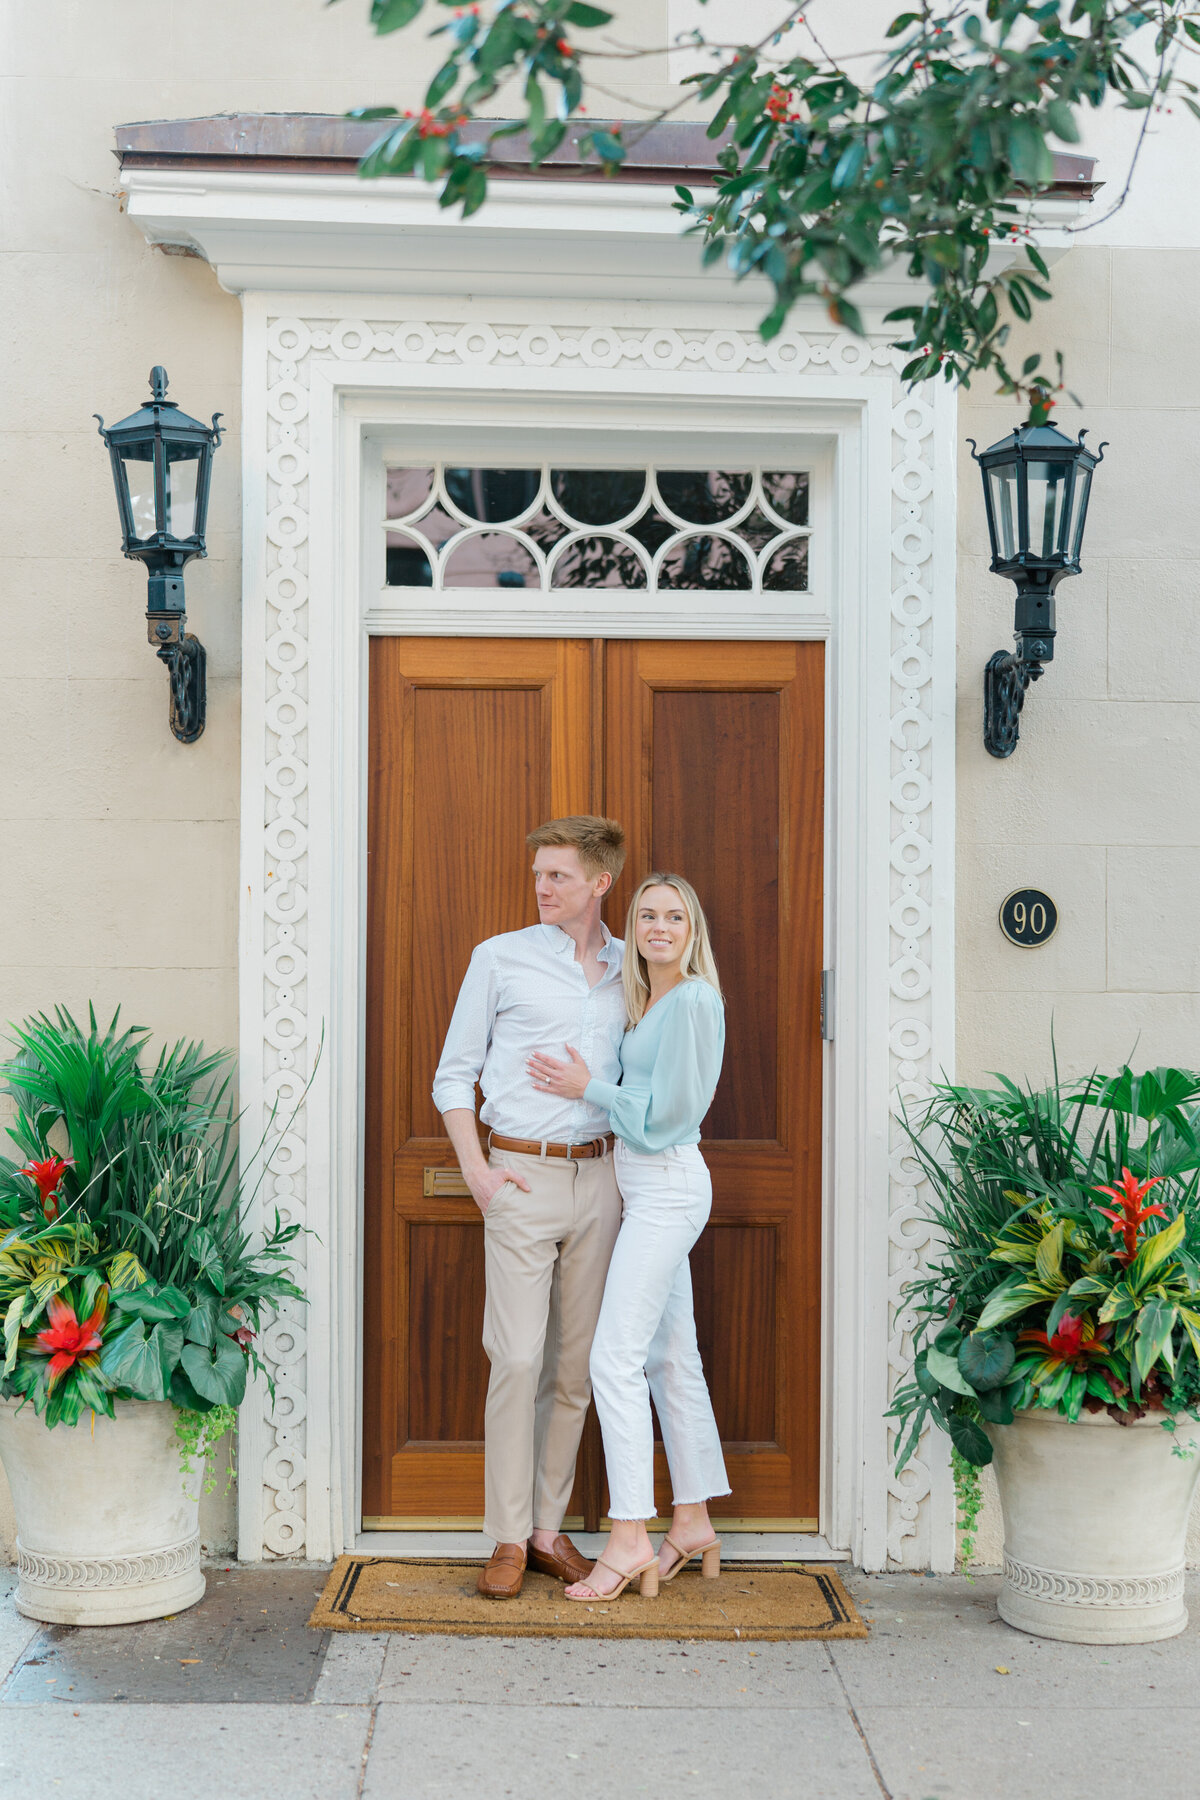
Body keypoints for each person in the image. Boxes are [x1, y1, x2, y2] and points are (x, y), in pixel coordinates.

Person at [433, 815, 628, 1599]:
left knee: (575, 1368)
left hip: (603, 1180)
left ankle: (549, 1532)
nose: (541, 887)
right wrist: (478, 1172)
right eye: (539, 873)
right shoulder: (500, 958)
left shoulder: (629, 967)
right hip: (518, 1176)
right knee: (515, 1360)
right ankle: (507, 1538)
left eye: (558, 876)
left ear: (600, 883)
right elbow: (454, 1075)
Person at [528, 872, 730, 1602]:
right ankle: (694, 1520)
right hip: (643, 1187)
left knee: (612, 1357)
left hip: (669, 1185)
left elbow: (672, 1116)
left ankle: (629, 1535)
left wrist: (592, 1088)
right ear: (634, 926)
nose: (660, 927)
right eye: (647, 915)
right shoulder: (652, 1002)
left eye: (675, 916)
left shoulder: (696, 1002)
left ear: (692, 929)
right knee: (668, 1357)